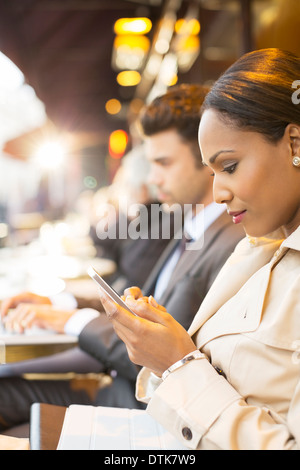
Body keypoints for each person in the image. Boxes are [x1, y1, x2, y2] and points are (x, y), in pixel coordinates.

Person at [0, 84, 243, 433]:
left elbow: (157, 354)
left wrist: (69, 319)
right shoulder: (186, 223)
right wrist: (59, 301)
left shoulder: (230, 242)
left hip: (144, 409)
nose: (153, 178)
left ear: (205, 159)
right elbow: (139, 306)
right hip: (123, 386)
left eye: (163, 163)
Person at [98, 48, 300, 450]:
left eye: (229, 167)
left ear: (295, 142)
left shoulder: (248, 245)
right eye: (212, 172)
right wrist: (168, 345)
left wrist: (176, 362)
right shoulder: (257, 250)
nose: (218, 193)